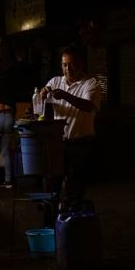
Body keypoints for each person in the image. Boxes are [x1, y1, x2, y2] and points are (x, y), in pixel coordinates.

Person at [37, 45, 100, 208]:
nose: (67, 68)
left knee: (75, 190)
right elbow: (43, 107)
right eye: (64, 65)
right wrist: (42, 95)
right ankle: (50, 226)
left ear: (81, 64)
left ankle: (70, 225)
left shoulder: (91, 84)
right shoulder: (55, 81)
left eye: (71, 64)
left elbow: (88, 106)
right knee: (50, 188)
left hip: (80, 145)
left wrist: (65, 95)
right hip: (58, 144)